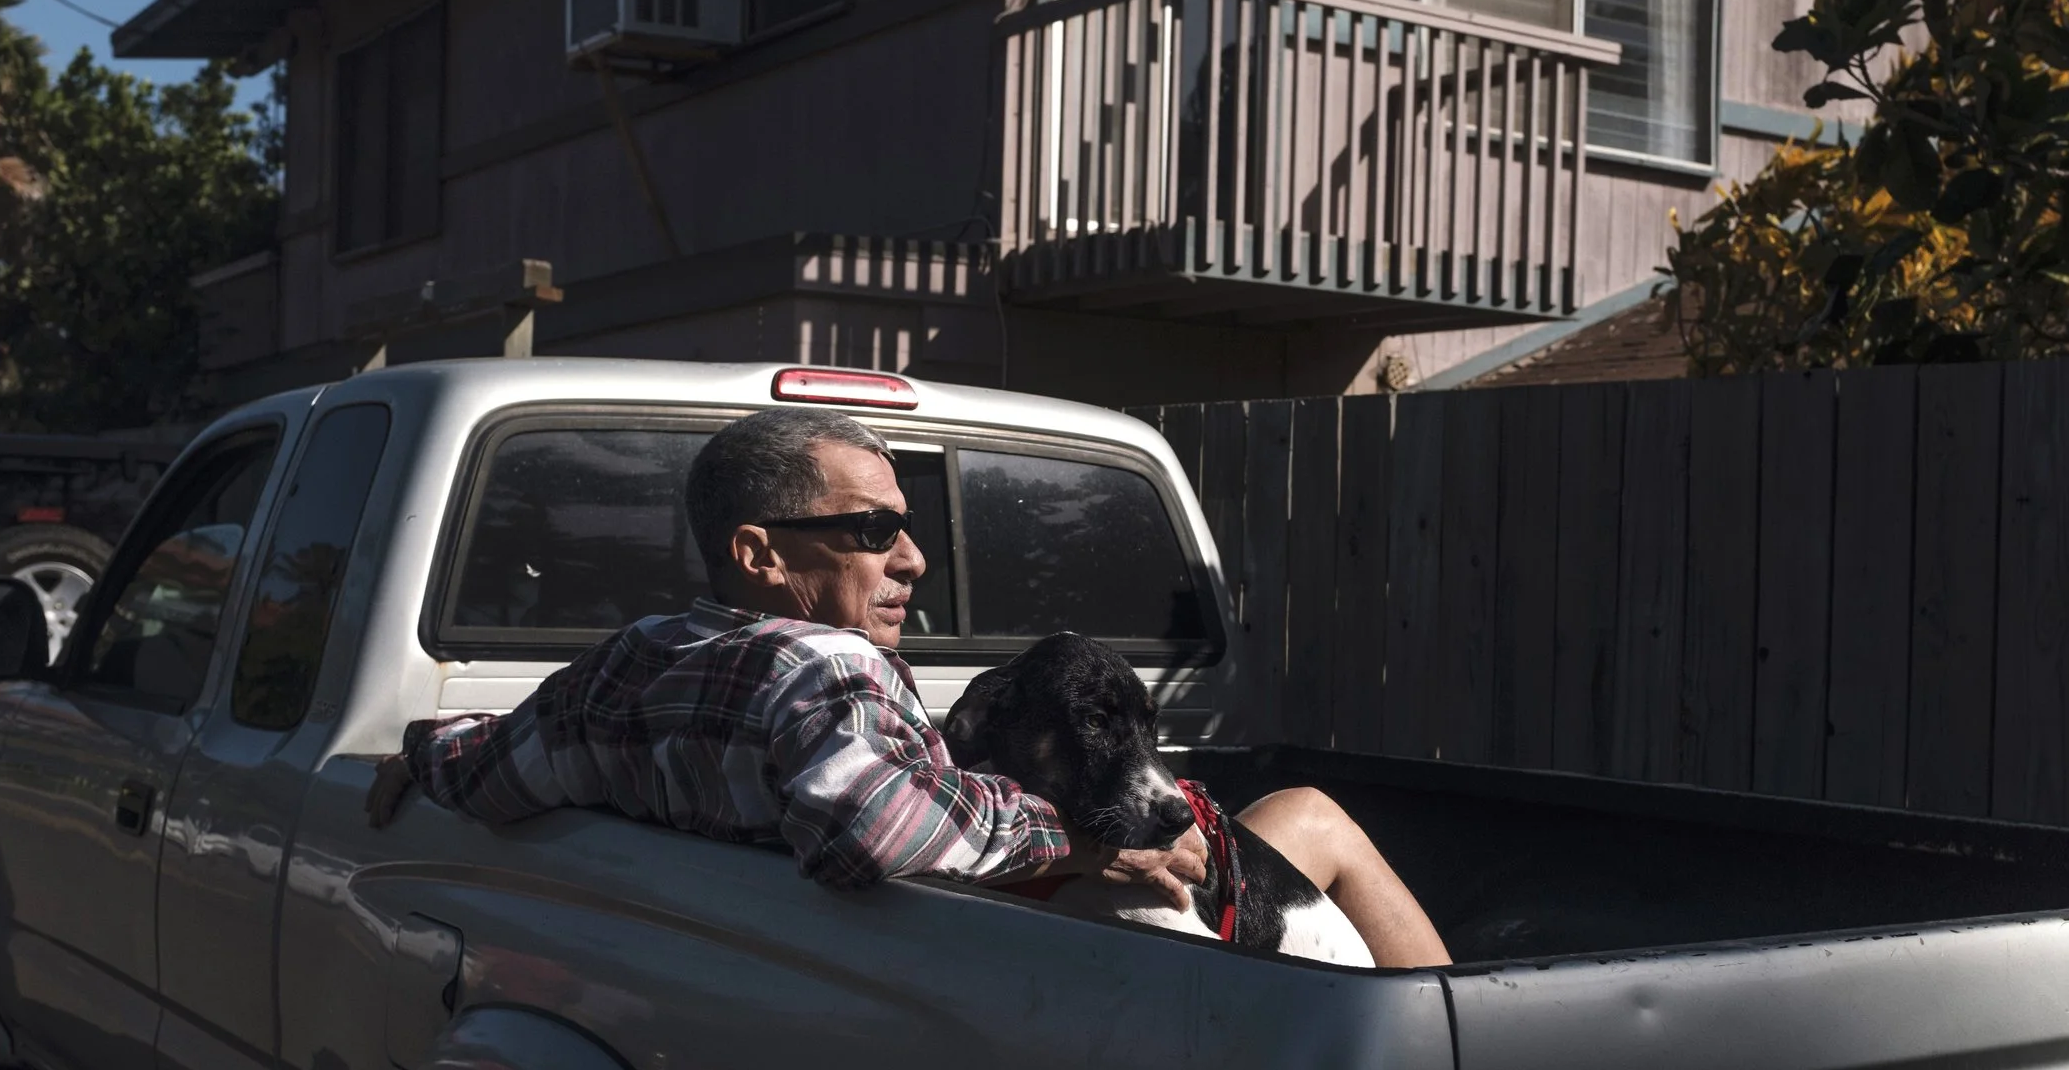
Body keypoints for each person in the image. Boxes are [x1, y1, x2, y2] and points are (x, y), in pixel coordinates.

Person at [367, 407, 1449, 966]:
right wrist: (1087, 842)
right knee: (1310, 819)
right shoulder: (824, 667)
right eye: (873, 530)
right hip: (991, 947)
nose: (913, 558)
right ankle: (1452, 1044)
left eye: (907, 527)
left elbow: (492, 764)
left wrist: (413, 756)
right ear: (760, 555)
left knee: (1295, 818)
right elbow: (871, 829)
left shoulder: (625, 663)